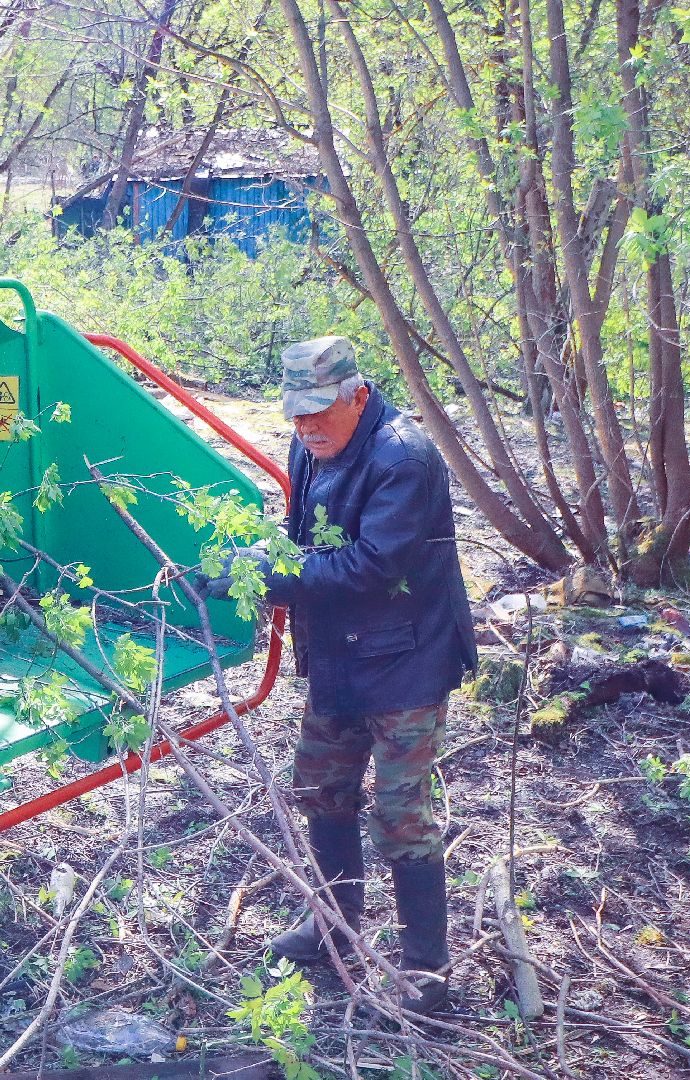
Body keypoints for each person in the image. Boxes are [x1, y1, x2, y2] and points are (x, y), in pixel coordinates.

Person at [205, 335, 477, 1013]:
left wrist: (270, 575)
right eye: (297, 416)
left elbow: (369, 567)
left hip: (409, 659)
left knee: (399, 814)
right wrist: (252, 561)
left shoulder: (403, 458)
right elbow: (306, 541)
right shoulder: (311, 443)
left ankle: (426, 967)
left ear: (359, 395)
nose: (308, 428)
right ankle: (333, 930)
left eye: (321, 412)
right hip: (340, 653)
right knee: (321, 787)